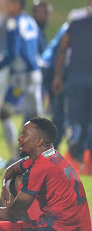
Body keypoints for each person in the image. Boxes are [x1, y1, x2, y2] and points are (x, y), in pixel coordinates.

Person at [0, 117, 91, 231]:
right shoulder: (49, 154)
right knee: (18, 181)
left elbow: (13, 214)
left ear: (39, 141)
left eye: (24, 134)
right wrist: (5, 187)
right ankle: (12, 224)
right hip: (74, 230)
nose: (19, 138)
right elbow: (11, 170)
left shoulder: (40, 167)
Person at [0, 0, 43, 164]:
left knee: (5, 114)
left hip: (21, 76)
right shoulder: (31, 21)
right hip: (34, 73)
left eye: (8, 4)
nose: (6, 7)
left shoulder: (13, 23)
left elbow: (13, 52)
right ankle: (44, 158)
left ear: (16, 4)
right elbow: (40, 46)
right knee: (37, 118)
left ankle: (15, 156)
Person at [53, 0, 92, 172]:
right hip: (78, 78)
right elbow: (62, 49)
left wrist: (58, 76)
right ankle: (81, 157)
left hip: (78, 77)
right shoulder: (76, 22)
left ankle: (80, 157)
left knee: (78, 120)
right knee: (78, 120)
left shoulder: (76, 22)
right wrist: (58, 76)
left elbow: (62, 48)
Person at [40, 21, 69, 150]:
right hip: (55, 70)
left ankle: (50, 148)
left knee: (58, 113)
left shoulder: (70, 25)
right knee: (60, 113)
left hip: (51, 68)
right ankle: (51, 149)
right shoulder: (75, 27)